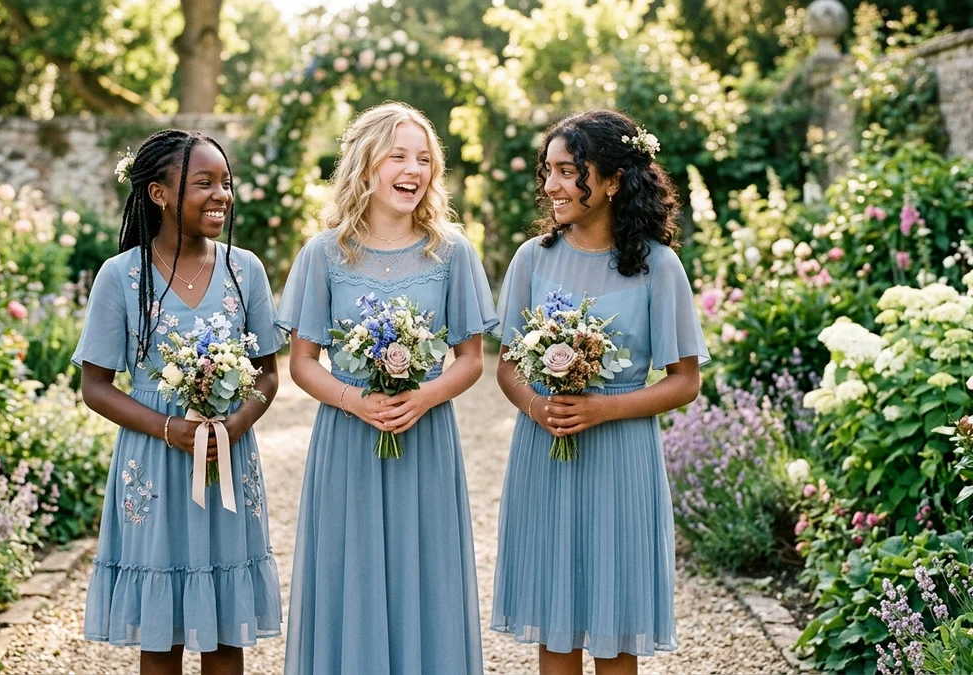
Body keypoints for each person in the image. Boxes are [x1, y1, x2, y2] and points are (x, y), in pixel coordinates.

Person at [278, 102, 497, 674]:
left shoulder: (451, 252)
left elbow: (471, 359)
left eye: (424, 159)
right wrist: (356, 401)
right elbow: (302, 363)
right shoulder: (322, 254)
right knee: (348, 570)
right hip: (347, 440)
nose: (413, 169)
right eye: (398, 155)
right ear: (366, 165)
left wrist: (422, 397)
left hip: (425, 438)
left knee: (426, 570)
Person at [490, 110, 709, 675]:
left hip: (621, 460)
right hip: (546, 453)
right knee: (554, 621)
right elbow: (509, 369)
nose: (551, 185)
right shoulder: (532, 260)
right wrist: (540, 406)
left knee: (616, 633)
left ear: (612, 181)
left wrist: (602, 409)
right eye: (549, 171)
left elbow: (686, 381)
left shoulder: (659, 268)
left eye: (568, 171)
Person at [74, 129, 283, 675]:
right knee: (160, 633)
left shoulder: (247, 271)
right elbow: (95, 387)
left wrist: (234, 426)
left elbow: (267, 375)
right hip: (154, 465)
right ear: (160, 195)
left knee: (224, 629)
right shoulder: (121, 277)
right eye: (204, 184)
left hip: (228, 466)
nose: (221, 195)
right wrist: (172, 429)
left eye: (226, 183)